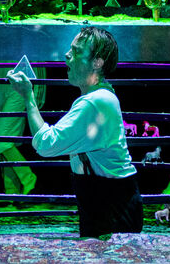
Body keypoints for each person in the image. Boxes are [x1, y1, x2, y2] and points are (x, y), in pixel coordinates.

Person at [8, 27, 142, 238]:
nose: (67, 55)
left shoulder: (94, 102)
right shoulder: (101, 97)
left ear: (97, 63)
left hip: (111, 208)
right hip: (109, 202)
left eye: (77, 51)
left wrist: (28, 97)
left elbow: (46, 144)